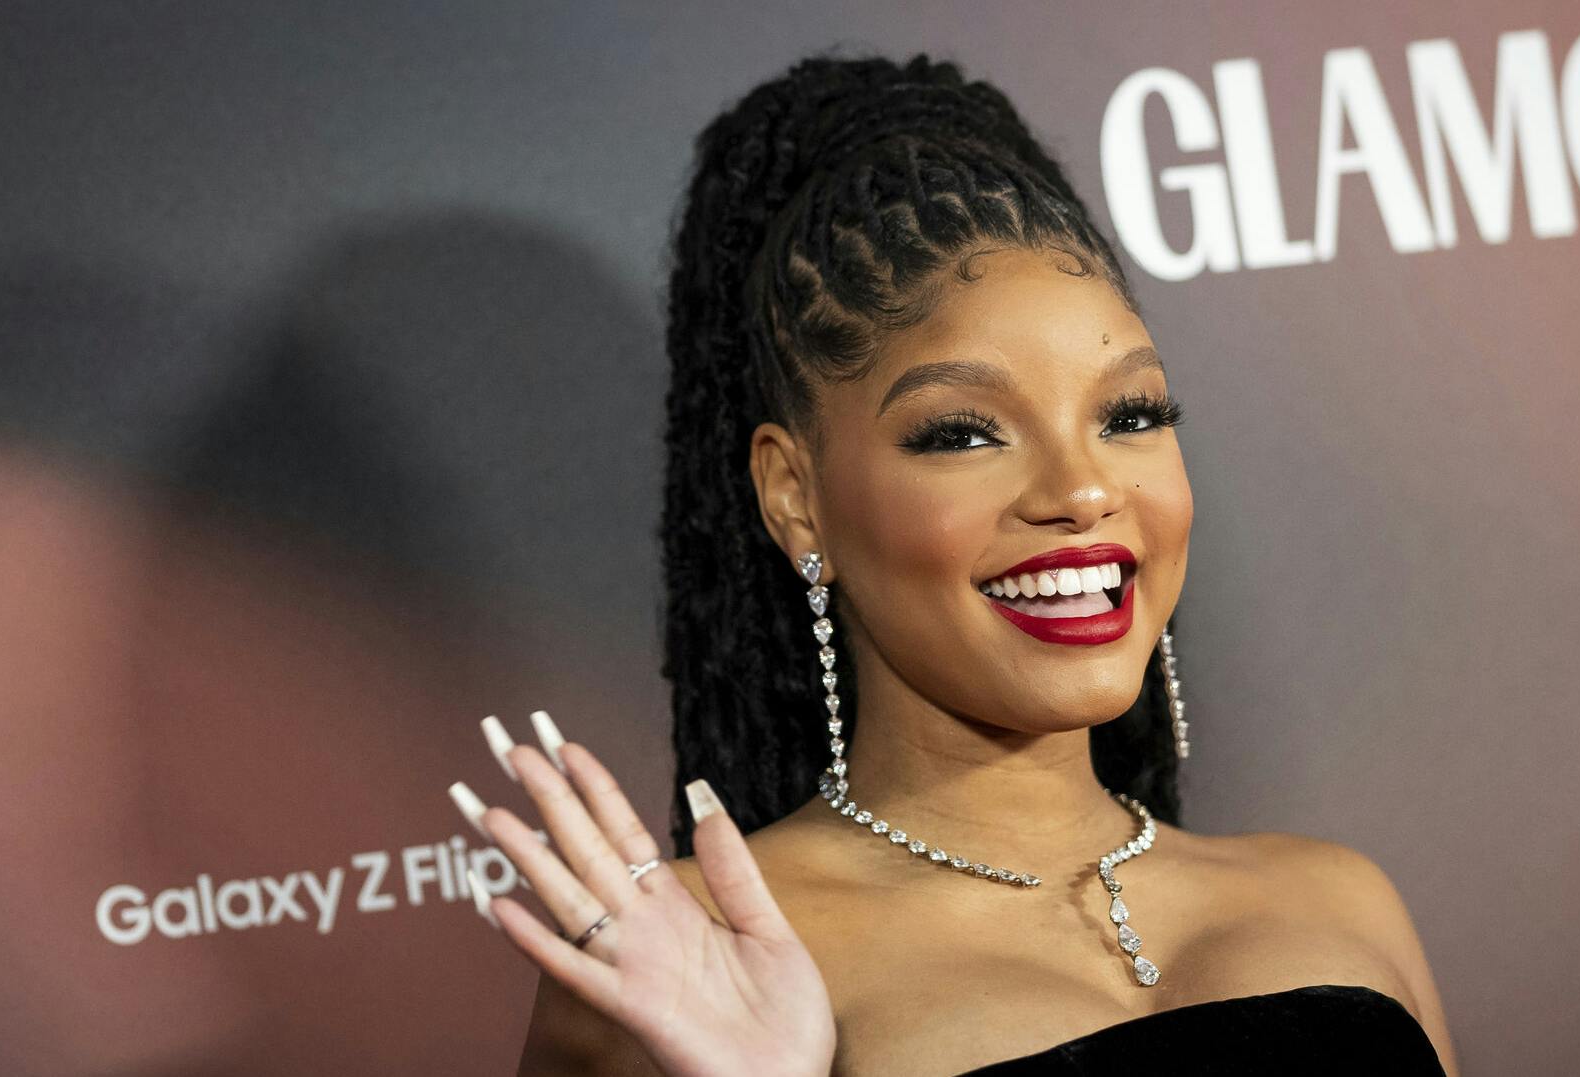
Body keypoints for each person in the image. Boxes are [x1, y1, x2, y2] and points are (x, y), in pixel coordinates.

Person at [446, 53, 1458, 1076]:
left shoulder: (1341, 900)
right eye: (965, 434)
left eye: (1130, 415)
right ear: (796, 497)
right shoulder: (694, 962)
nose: (1081, 490)